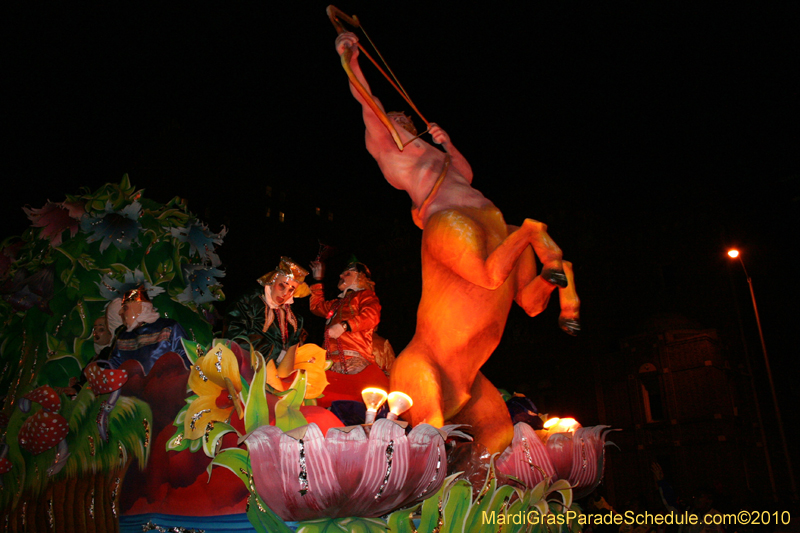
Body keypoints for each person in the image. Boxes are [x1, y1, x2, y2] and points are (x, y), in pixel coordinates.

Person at [335, 32, 581, 454]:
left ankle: (563, 283)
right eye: (395, 119)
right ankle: (533, 236)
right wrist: (350, 58)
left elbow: (465, 174)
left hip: (489, 219)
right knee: (495, 266)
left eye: (406, 119)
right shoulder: (391, 152)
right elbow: (367, 102)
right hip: (447, 220)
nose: (402, 122)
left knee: (531, 300)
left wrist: (447, 143)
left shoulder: (434, 154)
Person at [308, 260, 389, 406]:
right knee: (324, 400)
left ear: (360, 277)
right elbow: (316, 307)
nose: (341, 276)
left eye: (347, 273)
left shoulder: (365, 295)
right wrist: (317, 279)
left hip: (353, 360)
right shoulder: (337, 303)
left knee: (352, 401)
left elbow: (371, 315)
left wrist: (345, 326)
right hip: (328, 361)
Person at [226, 257, 308, 366]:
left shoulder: (295, 318)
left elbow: (294, 347)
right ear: (273, 280)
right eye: (282, 285)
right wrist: (276, 354)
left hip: (278, 371)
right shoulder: (249, 302)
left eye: (291, 290)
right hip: (247, 367)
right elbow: (235, 336)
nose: (285, 293)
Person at [108, 286, 190, 373]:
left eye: (125, 308)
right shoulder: (123, 336)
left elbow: (187, 358)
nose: (120, 312)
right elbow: (113, 367)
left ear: (138, 309)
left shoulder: (169, 327)